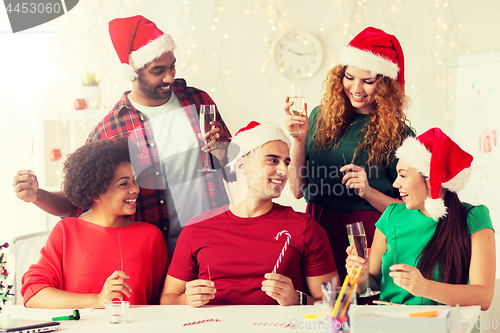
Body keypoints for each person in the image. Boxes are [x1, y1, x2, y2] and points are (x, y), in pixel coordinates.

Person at [12, 15, 231, 256]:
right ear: (133, 73)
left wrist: (226, 150)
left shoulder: (198, 101)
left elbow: (231, 168)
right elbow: (77, 201)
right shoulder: (110, 130)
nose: (169, 77)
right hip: (157, 253)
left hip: (215, 240)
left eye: (172, 66)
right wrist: (36, 196)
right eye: (158, 71)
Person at [284, 27, 414, 281]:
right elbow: (297, 190)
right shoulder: (319, 118)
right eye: (349, 77)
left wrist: (369, 192)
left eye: (368, 81)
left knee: (362, 307)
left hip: (369, 234)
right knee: (319, 306)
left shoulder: (400, 134)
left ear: (386, 84)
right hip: (317, 226)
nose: (356, 88)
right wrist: (298, 141)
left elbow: (412, 210)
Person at [160, 122, 337, 307]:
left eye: (286, 162)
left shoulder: (305, 227)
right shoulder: (196, 228)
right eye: (273, 160)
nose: (284, 171)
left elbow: (332, 301)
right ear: (241, 164)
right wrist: (185, 299)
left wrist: (298, 299)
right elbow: (167, 299)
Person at [346, 128, 495, 310]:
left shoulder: (474, 217)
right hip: (391, 323)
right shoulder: (391, 214)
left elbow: (484, 297)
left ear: (431, 179)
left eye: (403, 175)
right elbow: (373, 284)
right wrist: (361, 279)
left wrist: (425, 287)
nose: (395, 184)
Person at [21, 139, 168, 308]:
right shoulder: (66, 232)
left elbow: (161, 301)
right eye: (123, 184)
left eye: (133, 180)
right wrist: (97, 300)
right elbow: (34, 293)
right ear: (96, 192)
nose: (135, 189)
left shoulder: (151, 237)